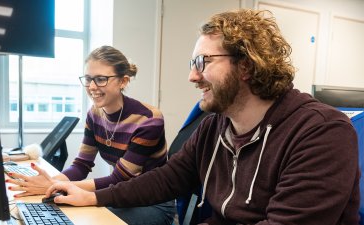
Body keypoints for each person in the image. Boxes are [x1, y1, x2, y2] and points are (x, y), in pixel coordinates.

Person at [44, 9, 361, 225]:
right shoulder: (215, 127)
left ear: (247, 65)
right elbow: (167, 179)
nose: (192, 77)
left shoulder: (321, 132)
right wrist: (92, 196)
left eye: (202, 62)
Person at [6, 45, 175, 225]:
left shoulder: (148, 119)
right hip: (120, 194)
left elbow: (119, 178)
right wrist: (50, 182)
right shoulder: (94, 114)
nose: (92, 87)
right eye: (88, 79)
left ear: (123, 81)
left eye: (101, 79)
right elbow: (81, 165)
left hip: (152, 203)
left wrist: (55, 186)